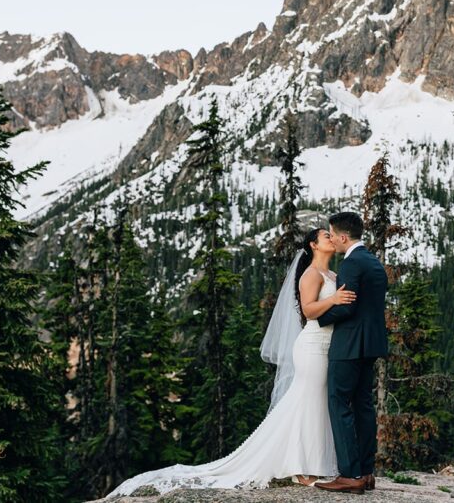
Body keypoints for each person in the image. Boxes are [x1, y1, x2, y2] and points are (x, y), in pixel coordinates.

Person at [104, 227, 357, 496]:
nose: (331, 238)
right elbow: (308, 310)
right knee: (307, 400)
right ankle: (299, 466)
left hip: (327, 346)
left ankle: (309, 462)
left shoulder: (331, 274)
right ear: (313, 245)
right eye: (325, 236)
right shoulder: (310, 275)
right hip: (312, 347)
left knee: (315, 401)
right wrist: (333, 298)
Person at [314, 211, 390, 495]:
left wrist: (316, 318)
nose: (331, 239)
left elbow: (347, 307)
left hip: (348, 345)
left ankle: (350, 474)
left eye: (332, 234)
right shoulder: (372, 262)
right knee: (363, 407)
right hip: (371, 344)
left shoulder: (351, 264)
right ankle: (367, 473)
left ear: (343, 237)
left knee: (339, 404)